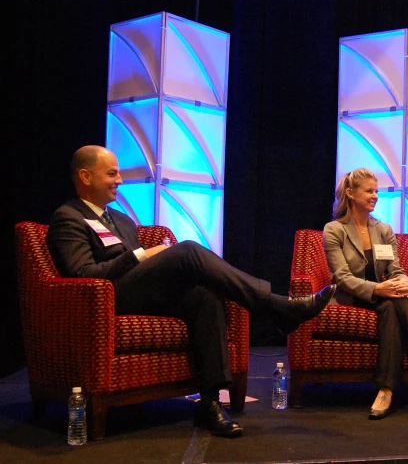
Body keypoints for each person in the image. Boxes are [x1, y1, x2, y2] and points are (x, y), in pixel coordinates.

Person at [46, 145, 335, 437]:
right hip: (105, 300)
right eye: (112, 173)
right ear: (85, 176)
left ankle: (209, 403)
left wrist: (150, 258)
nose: (119, 180)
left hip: (141, 294)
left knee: (204, 295)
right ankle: (276, 306)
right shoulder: (68, 217)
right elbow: (83, 274)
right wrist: (144, 255)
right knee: (188, 251)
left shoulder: (121, 220)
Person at [322, 167, 408, 420]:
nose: (375, 196)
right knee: (391, 300)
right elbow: (341, 277)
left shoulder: (383, 229)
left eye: (377, 191)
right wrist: (378, 288)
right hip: (350, 297)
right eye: (369, 191)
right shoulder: (334, 229)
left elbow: (395, 269)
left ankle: (385, 389)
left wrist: (405, 283)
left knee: (391, 304)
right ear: (350, 193)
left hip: (382, 298)